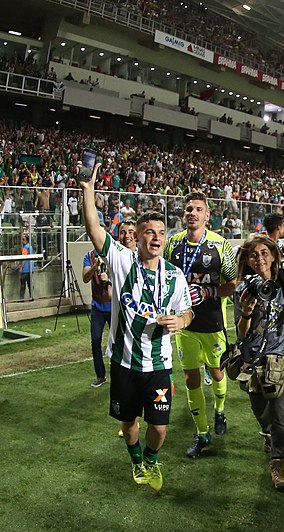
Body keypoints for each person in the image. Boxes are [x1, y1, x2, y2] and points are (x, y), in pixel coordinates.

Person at [78, 162, 193, 492]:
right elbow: (95, 229)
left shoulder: (174, 275)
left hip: (159, 365)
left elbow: (188, 312)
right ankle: (135, 459)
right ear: (138, 238)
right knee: (129, 423)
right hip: (124, 362)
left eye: (160, 233)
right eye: (149, 233)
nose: (156, 238)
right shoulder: (121, 261)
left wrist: (181, 320)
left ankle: (151, 459)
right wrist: (89, 191)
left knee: (159, 429)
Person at [234, 235, 284, 490]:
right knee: (260, 409)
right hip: (253, 357)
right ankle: (268, 434)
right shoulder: (242, 289)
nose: (260, 259)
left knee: (280, 412)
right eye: (254, 255)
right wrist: (247, 312)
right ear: (247, 260)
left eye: (264, 253)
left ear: (274, 255)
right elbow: (241, 331)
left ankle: (278, 464)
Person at [164, 192, 238, 458]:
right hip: (185, 325)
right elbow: (165, 278)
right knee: (190, 377)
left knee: (218, 373)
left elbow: (232, 283)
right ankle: (202, 433)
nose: (192, 213)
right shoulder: (172, 244)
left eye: (198, 209)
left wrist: (209, 293)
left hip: (212, 323)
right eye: (188, 209)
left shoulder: (221, 245)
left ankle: (219, 410)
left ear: (207, 215)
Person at [82, 222, 134, 388]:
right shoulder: (89, 256)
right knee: (95, 340)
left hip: (115, 307)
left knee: (120, 342)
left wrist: (109, 280)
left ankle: (121, 375)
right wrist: (95, 266)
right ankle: (100, 376)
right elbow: (85, 278)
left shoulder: (116, 255)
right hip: (97, 306)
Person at [19, 232, 34, 301]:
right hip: (30, 268)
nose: (22, 241)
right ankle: (32, 297)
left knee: (23, 284)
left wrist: (21, 267)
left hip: (25, 269)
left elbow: (23, 258)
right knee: (30, 284)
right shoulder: (30, 247)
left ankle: (21, 299)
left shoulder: (25, 248)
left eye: (23, 239)